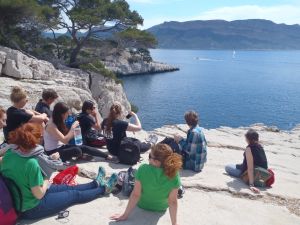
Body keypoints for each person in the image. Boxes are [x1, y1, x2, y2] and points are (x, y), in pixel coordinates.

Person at [0, 123, 118, 220]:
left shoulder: (10, 154)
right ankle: (103, 189)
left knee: (69, 187)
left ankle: (95, 183)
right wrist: (48, 175)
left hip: (20, 197)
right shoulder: (31, 163)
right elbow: (39, 194)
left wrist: (48, 163)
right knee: (73, 195)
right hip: (31, 208)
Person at [110, 144, 182, 225]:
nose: (149, 159)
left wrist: (125, 215)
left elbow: (135, 195)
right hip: (161, 208)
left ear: (156, 162)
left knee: (132, 176)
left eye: (150, 156)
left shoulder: (143, 169)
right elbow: (172, 202)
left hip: (142, 204)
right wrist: (174, 223)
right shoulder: (174, 175)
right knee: (174, 187)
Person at [43, 102, 114, 162]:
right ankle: (79, 156)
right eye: (67, 113)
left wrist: (75, 132)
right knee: (77, 150)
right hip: (52, 152)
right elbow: (65, 140)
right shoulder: (51, 125)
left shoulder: (57, 120)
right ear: (62, 114)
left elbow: (65, 137)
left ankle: (107, 156)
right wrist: (73, 127)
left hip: (60, 147)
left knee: (83, 147)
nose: (68, 115)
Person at [225, 129, 268, 193]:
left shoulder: (249, 148)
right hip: (261, 174)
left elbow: (250, 167)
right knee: (235, 165)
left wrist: (251, 185)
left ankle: (243, 177)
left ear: (248, 139)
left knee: (227, 167)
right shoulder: (260, 147)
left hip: (249, 173)